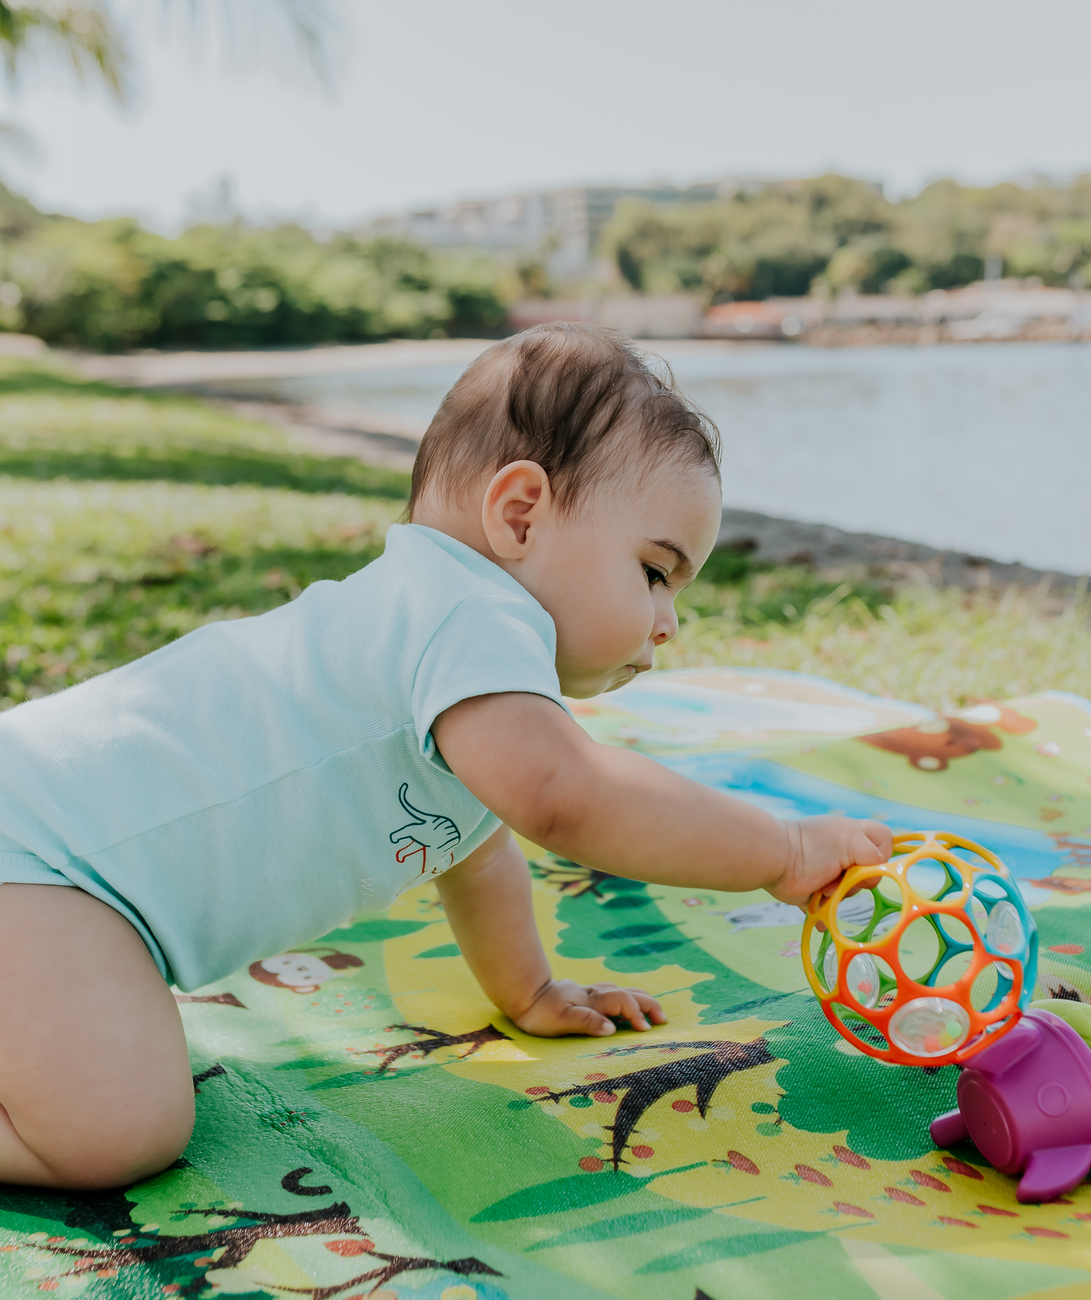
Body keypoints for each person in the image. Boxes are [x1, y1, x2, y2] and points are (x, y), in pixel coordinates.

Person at [0, 325, 891, 1188]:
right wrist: (783, 852)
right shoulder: (467, 610)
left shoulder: (448, 654)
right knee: (116, 1128)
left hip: (62, 874)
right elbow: (565, 796)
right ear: (519, 515)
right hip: (41, 861)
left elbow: (478, 844)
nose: (666, 621)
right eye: (655, 571)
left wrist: (531, 988)